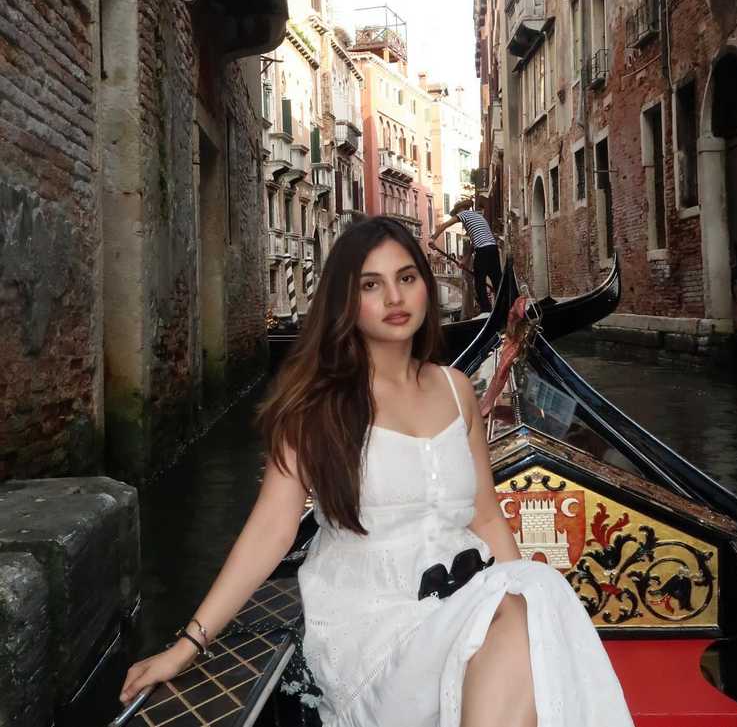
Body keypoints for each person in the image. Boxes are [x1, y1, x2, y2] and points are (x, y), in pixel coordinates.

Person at [119, 217, 635, 727]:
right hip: (371, 627)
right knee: (523, 616)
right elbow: (270, 531)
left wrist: (519, 595)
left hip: (467, 602)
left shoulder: (457, 389)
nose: (394, 297)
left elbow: (486, 517)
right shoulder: (314, 406)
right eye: (372, 285)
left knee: (533, 601)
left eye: (406, 278)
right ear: (346, 301)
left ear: (425, 287)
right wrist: (188, 644)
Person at [430, 198, 502, 313]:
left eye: (456, 213)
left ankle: (486, 312)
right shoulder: (478, 217)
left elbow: (444, 225)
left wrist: (433, 239)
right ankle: (503, 309)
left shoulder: (463, 214)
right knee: (498, 282)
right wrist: (465, 260)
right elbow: (474, 243)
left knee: (479, 284)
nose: (457, 216)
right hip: (493, 249)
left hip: (482, 251)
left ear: (460, 209)